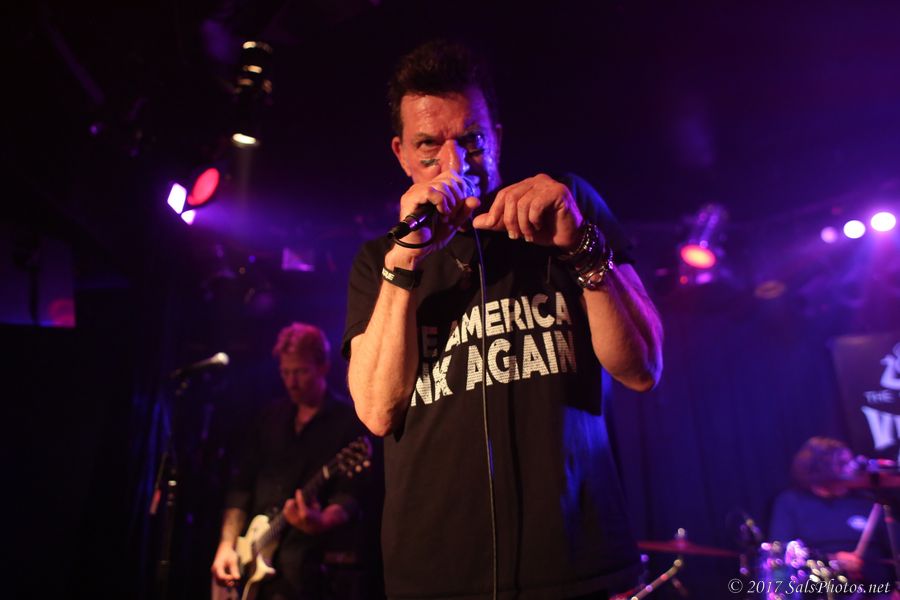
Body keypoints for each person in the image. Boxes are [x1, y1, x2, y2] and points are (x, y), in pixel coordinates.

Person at [342, 40, 663, 599]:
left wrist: (579, 245)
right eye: (429, 145)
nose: (455, 164)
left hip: (575, 563)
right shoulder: (381, 259)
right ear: (401, 153)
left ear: (497, 136)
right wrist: (405, 261)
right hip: (435, 576)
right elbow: (375, 410)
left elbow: (642, 368)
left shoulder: (566, 208)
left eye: (472, 139)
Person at [211, 322, 375, 600]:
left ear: (322, 367)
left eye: (300, 372)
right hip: (254, 564)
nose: (291, 382)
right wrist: (227, 545)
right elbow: (240, 487)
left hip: (310, 573)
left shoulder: (347, 422)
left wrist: (322, 520)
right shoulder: (269, 418)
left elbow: (350, 496)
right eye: (285, 372)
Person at [769, 437, 896, 597]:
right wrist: (832, 559)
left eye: (849, 462)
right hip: (821, 590)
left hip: (878, 592)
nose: (851, 468)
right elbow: (782, 553)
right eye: (842, 463)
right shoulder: (791, 502)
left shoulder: (868, 502)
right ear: (817, 468)